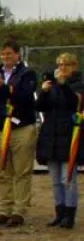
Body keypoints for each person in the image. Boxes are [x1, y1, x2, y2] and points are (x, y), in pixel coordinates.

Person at [0, 38, 39, 227]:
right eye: (3, 53)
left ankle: (19, 210)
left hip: (21, 126)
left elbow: (25, 96)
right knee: (2, 169)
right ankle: (4, 209)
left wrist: (5, 87)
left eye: (9, 53)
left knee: (22, 170)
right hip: (0, 126)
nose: (6, 57)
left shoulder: (28, 73)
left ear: (17, 54)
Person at [36, 52, 84, 229]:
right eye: (60, 65)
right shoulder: (54, 85)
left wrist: (63, 86)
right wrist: (43, 91)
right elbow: (40, 107)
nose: (62, 68)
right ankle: (60, 212)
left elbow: (74, 103)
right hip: (51, 135)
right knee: (55, 179)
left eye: (66, 65)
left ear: (74, 67)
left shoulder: (79, 84)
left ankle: (70, 214)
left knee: (68, 178)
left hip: (70, 135)